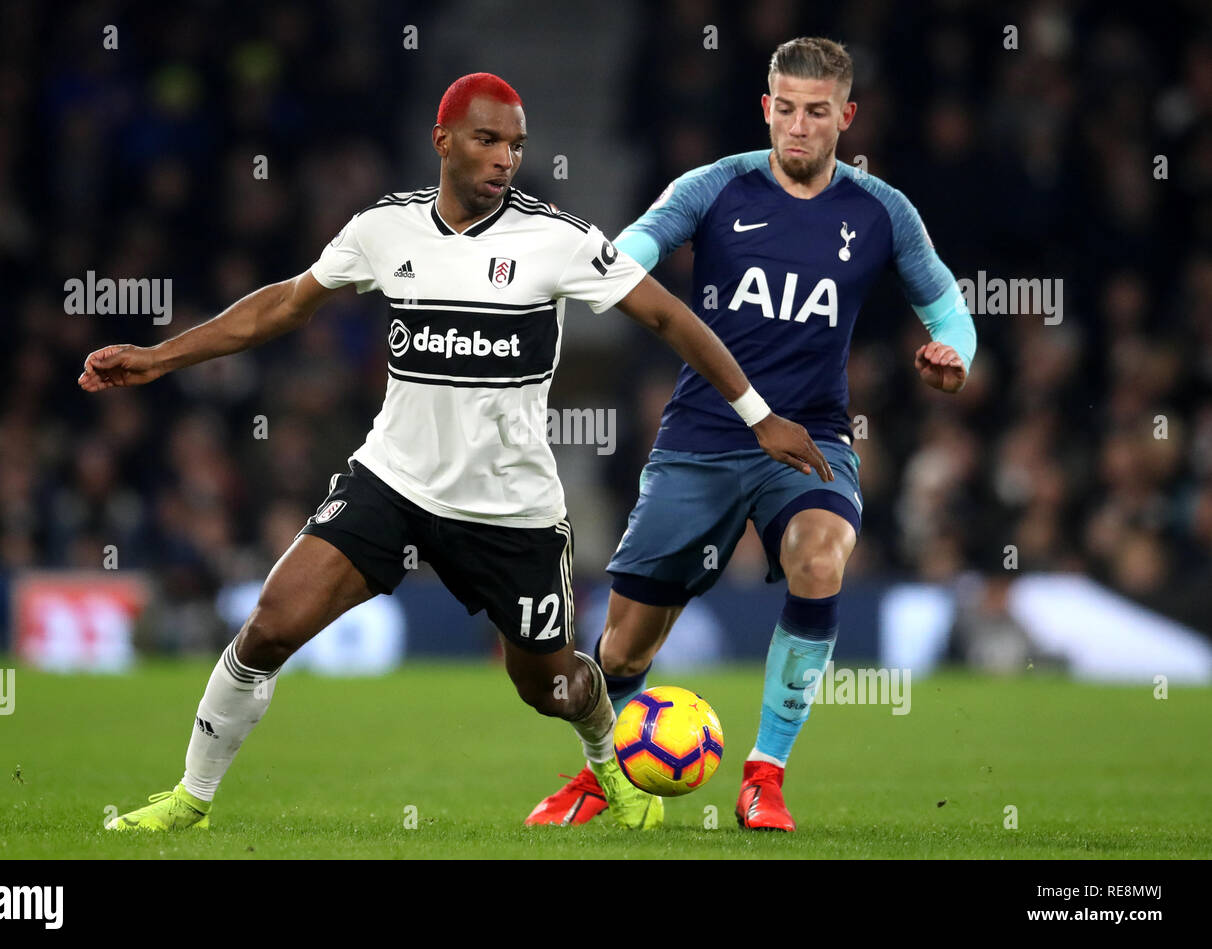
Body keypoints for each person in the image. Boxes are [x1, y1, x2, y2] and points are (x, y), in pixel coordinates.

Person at [79, 72, 830, 832]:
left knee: (549, 683)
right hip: (393, 480)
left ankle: (608, 763)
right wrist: (159, 357)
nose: (505, 158)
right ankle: (191, 799)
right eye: (488, 139)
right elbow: (285, 302)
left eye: (515, 144)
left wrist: (757, 414)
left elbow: (671, 319)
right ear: (442, 141)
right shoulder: (385, 228)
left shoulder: (557, 240)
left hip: (510, 510)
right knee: (270, 623)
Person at [526, 38, 976, 830]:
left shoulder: (882, 210)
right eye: (786, 109)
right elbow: (635, 245)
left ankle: (764, 774)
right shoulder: (714, 186)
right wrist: (604, 273)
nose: (798, 127)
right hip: (701, 438)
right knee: (623, 651)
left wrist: (954, 352)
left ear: (847, 115)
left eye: (817, 112)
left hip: (810, 441)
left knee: (819, 555)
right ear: (767, 107)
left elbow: (946, 306)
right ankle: (601, 776)